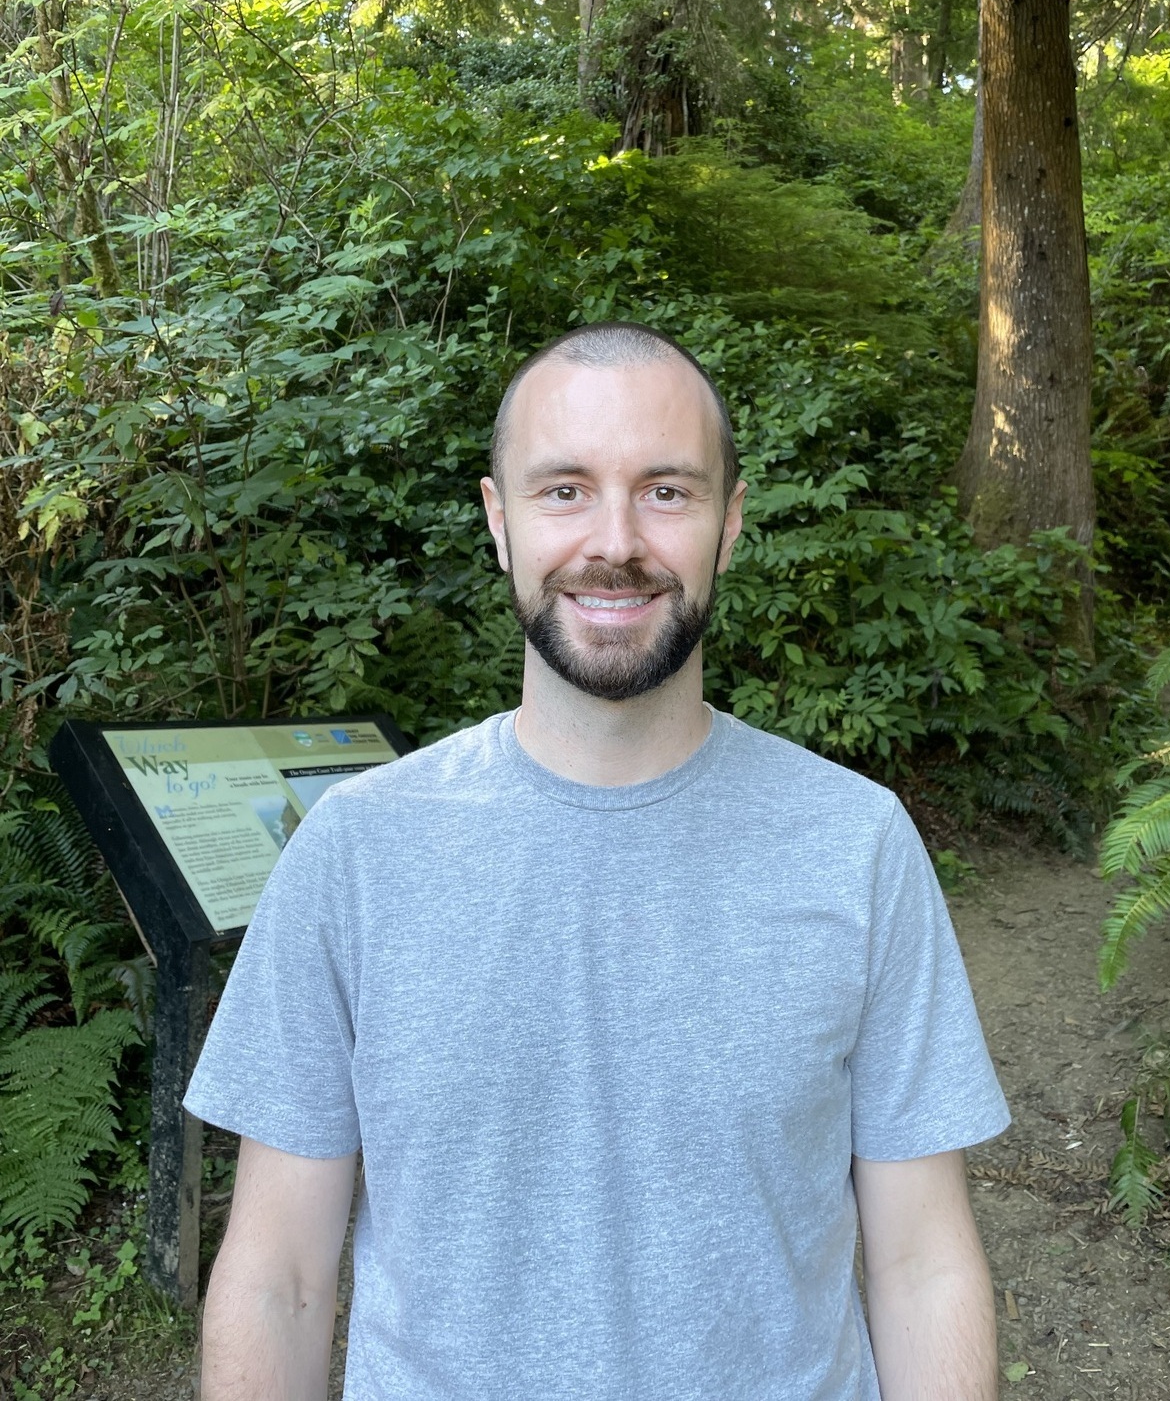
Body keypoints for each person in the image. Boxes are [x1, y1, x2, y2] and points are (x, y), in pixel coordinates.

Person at [188, 320, 1010, 1401]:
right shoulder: (356, 850)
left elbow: (923, 1265)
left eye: (667, 490)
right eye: (564, 489)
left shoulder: (855, 843)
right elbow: (279, 1279)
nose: (614, 539)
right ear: (499, 521)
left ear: (730, 522)